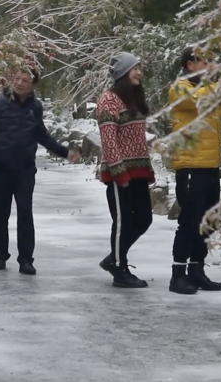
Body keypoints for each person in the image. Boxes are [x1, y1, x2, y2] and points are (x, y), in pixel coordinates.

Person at [0, 68, 81, 275]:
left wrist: (64, 152)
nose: (20, 83)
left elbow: (42, 135)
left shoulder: (35, 107)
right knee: (0, 216)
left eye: (26, 80)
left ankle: (26, 260)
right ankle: (0, 256)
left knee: (25, 214)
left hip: (25, 171)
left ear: (34, 85)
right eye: (17, 78)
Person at [166, 46, 221, 295]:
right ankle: (178, 275)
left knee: (207, 222)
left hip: (210, 166)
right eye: (205, 61)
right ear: (190, 64)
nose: (210, 65)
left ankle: (197, 270)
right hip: (190, 166)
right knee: (188, 222)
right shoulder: (180, 88)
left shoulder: (209, 91)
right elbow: (199, 99)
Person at [96, 52, 155, 289]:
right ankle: (120, 269)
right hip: (120, 174)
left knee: (143, 219)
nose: (139, 72)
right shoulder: (108, 101)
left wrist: (145, 167)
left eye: (139, 67)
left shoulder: (133, 99)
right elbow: (108, 140)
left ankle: (114, 258)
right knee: (122, 223)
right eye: (135, 68)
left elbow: (137, 138)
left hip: (138, 171)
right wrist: (120, 172)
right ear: (122, 74)